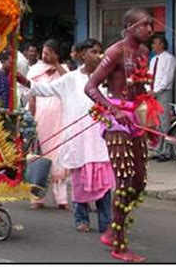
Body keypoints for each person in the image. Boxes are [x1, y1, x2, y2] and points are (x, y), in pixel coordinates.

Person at [84, 7, 161, 262]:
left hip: (136, 120)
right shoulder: (116, 51)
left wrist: (150, 120)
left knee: (139, 182)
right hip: (116, 123)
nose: (149, 30)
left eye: (151, 25)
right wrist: (114, 110)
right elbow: (90, 87)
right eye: (144, 25)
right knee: (125, 179)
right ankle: (119, 245)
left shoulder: (143, 52)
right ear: (129, 27)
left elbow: (142, 90)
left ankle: (111, 231)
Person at [22, 39, 114, 233]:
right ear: (82, 55)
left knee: (103, 182)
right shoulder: (71, 79)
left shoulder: (108, 78)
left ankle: (106, 222)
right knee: (80, 181)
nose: (99, 56)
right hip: (78, 140)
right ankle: (81, 218)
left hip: (100, 140)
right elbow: (44, 90)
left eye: (100, 52)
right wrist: (21, 79)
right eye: (94, 52)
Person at [26, 39, 69, 210]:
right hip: (41, 119)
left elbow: (69, 83)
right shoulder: (35, 70)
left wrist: (57, 64)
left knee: (59, 158)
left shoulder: (64, 70)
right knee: (39, 158)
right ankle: (36, 198)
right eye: (44, 52)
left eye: (49, 52)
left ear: (56, 54)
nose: (45, 55)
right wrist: (31, 117)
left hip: (60, 119)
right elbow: (31, 95)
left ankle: (62, 199)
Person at [148, 35, 176, 162]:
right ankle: (159, 149)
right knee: (157, 122)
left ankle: (167, 151)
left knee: (164, 121)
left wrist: (157, 90)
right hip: (152, 93)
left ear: (162, 44)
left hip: (163, 93)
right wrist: (148, 89)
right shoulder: (153, 59)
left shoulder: (169, 58)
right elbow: (149, 74)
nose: (153, 46)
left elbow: (167, 77)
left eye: (155, 43)